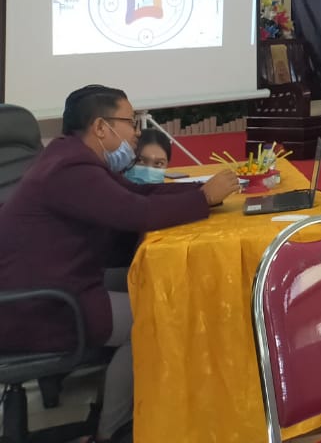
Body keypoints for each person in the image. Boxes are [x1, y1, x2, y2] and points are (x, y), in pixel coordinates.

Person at [0, 85, 239, 443]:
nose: (136, 133)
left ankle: (112, 410)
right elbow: (138, 212)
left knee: (145, 283)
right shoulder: (70, 169)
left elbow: (137, 194)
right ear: (101, 127)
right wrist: (204, 198)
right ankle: (113, 431)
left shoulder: (69, 156)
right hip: (39, 308)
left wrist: (201, 192)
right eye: (130, 122)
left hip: (50, 287)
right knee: (157, 317)